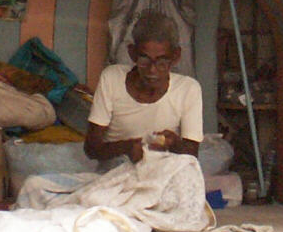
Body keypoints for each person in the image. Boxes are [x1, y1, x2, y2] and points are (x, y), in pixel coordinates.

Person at [83, 10, 203, 166]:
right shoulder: (112, 78)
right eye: (144, 59)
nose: (152, 70)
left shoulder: (188, 89)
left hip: (163, 171)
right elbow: (91, 149)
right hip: (116, 171)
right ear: (132, 53)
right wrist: (126, 148)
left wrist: (175, 144)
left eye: (162, 61)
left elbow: (192, 154)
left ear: (176, 56)